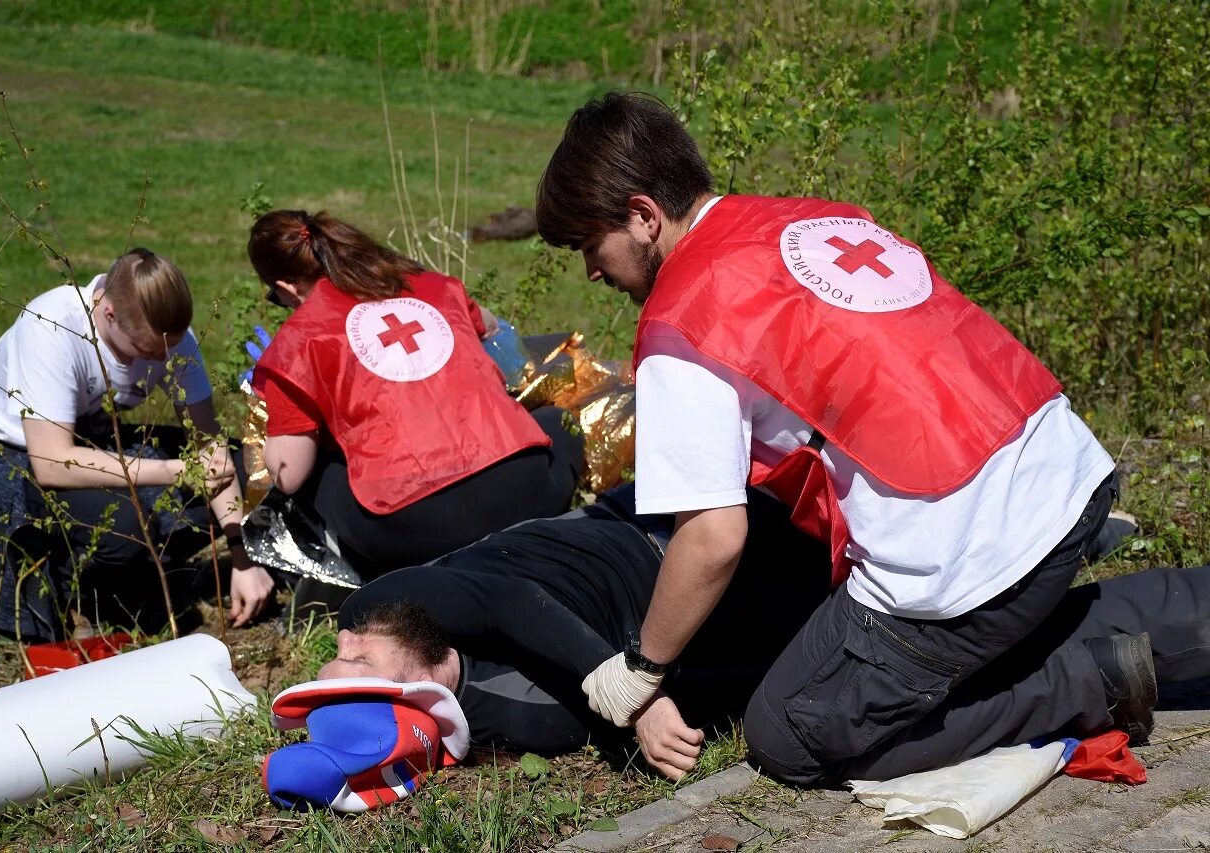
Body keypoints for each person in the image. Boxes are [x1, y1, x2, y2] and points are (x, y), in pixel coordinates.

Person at [532, 91, 1148, 786]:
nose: (590, 271)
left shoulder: (684, 319)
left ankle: (1082, 679)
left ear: (643, 216)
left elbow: (712, 536)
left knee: (792, 729)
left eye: (590, 245)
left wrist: (644, 665)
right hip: (1062, 465)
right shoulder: (807, 216)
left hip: (972, 545)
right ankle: (1140, 625)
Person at [316, 485, 1210, 781]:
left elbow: (514, 605)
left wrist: (622, 688)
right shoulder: (488, 717)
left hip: (656, 545)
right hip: (686, 627)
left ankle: (1043, 538)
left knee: (851, 559)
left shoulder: (388, 603)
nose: (367, 668)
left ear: (352, 647)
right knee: (826, 654)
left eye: (358, 671)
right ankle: (1055, 574)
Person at [245, 210, 583, 609]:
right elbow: (493, 328)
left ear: (286, 286)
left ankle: (359, 583)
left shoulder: (296, 342)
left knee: (316, 470)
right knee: (559, 422)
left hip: (414, 525)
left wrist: (271, 409)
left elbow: (288, 473)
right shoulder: (432, 285)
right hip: (523, 488)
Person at [0, 248, 275, 642]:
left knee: (252, 467)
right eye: (147, 352)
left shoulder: (169, 336)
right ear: (108, 312)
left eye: (167, 350)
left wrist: (241, 555)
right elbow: (52, 462)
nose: (161, 359)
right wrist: (180, 471)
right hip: (14, 450)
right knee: (124, 523)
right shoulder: (52, 328)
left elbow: (208, 446)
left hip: (91, 436)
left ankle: (139, 571)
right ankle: (80, 586)